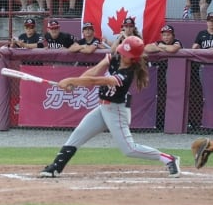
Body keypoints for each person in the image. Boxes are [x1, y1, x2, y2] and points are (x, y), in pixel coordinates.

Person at [39, 35, 180, 178]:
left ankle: (169, 158)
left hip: (116, 111)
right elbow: (94, 71)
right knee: (78, 135)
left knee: (129, 149)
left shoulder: (126, 75)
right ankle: (56, 167)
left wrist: (71, 80)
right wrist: (74, 84)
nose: (121, 54)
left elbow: (98, 80)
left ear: (133, 59)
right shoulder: (115, 57)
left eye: (126, 54)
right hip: (102, 108)